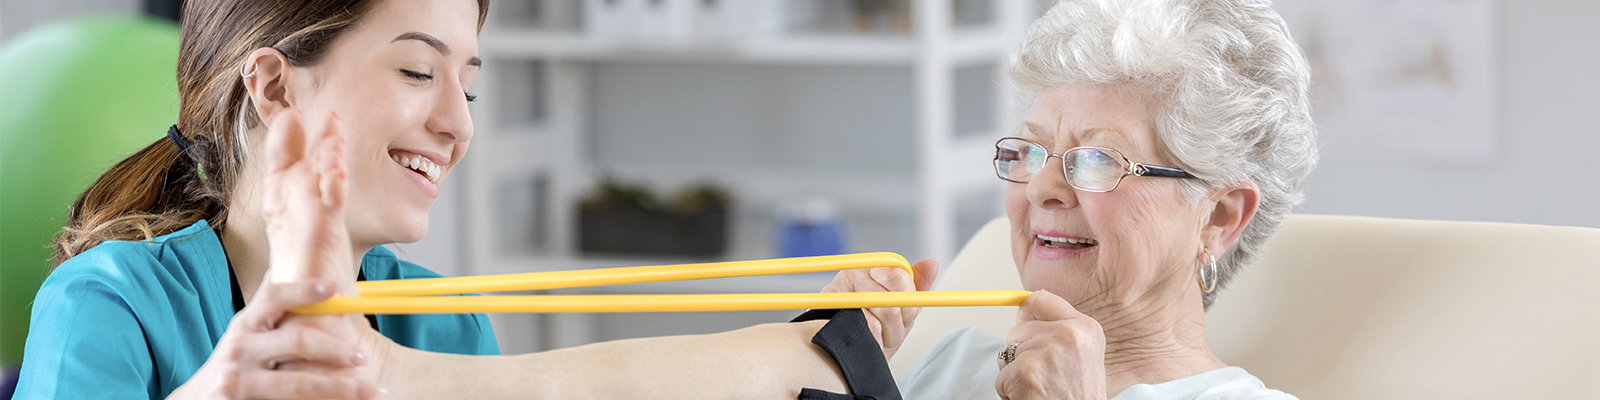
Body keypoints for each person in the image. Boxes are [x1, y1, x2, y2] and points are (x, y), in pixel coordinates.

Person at [14, 0, 934, 398]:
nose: (457, 122)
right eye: (418, 68)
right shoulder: (110, 304)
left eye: (472, 85)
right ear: (275, 86)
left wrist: (823, 348)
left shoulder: (444, 322)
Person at [895, 0, 1318, 399]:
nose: (1041, 189)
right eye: (1031, 151)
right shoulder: (954, 361)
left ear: (1219, 217)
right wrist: (832, 364)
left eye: (1098, 161)